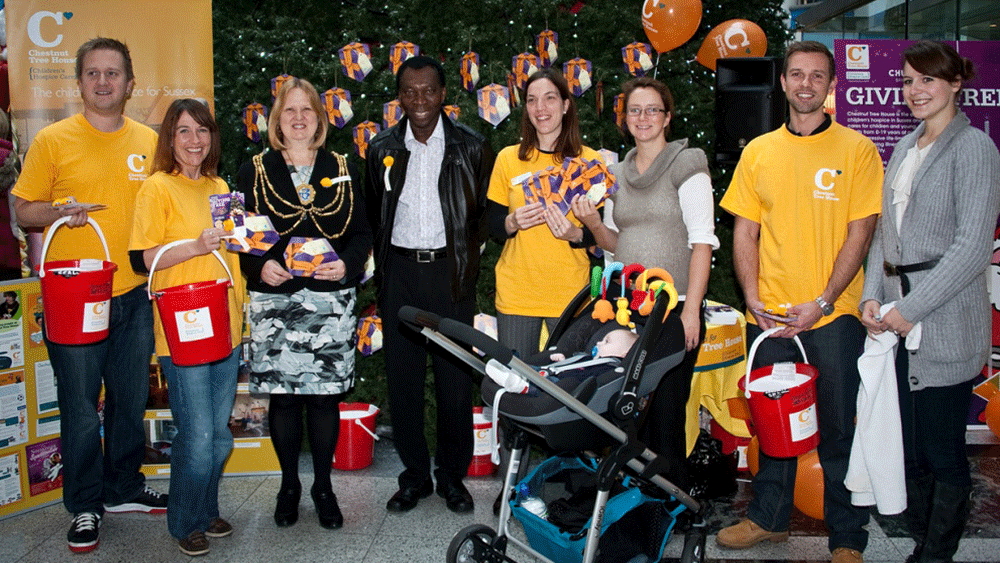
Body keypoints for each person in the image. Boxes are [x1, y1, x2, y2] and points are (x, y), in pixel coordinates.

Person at [716, 41, 883, 563]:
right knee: (772, 426)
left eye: (817, 75)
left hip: (831, 316)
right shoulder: (758, 150)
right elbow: (745, 231)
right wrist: (752, 297)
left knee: (836, 428)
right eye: (796, 75)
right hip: (769, 316)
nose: (806, 84)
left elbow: (861, 232)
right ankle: (769, 519)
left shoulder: (857, 150)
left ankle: (848, 536)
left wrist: (825, 300)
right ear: (782, 82)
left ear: (832, 85)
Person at [11, 37, 166, 554]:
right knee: (81, 408)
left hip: (133, 295)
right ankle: (83, 505)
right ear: (79, 82)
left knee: (129, 399)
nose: (104, 82)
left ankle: (122, 487)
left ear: (130, 82)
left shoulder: (149, 139)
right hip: (75, 299)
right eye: (94, 73)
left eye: (114, 73)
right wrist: (58, 210)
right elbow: (22, 211)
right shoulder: (53, 141)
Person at [860, 40, 1000, 563]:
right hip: (895, 320)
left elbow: (970, 250)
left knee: (942, 450)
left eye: (927, 80)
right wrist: (873, 296)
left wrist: (908, 312)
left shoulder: (975, 149)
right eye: (907, 81)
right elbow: (884, 239)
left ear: (955, 84)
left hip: (943, 323)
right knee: (911, 446)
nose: (914, 91)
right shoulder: (903, 147)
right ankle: (923, 535)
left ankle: (937, 553)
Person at [236, 77, 371, 530]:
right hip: (277, 301)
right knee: (286, 401)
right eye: (289, 110)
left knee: (324, 399)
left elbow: (363, 233)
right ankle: (289, 484)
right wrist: (260, 266)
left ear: (319, 119)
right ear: (277, 119)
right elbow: (243, 232)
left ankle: (323, 486)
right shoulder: (255, 167)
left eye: (307, 111)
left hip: (331, 302)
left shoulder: (344, 165)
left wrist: (348, 267)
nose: (298, 118)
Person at [571, 76, 718, 490]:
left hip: (674, 310)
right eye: (635, 110)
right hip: (631, 310)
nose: (643, 117)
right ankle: (639, 498)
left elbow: (703, 241)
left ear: (667, 116)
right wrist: (594, 223)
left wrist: (691, 312)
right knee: (632, 411)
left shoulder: (687, 164)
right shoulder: (615, 174)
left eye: (652, 109)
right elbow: (616, 246)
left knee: (667, 412)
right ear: (625, 118)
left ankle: (673, 503)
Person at [365, 55, 494, 514]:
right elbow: (373, 216)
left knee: (454, 384)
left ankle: (453, 479)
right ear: (399, 97)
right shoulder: (380, 148)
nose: (419, 101)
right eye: (409, 92)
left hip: (450, 276)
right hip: (400, 274)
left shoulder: (473, 147)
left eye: (428, 91)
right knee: (404, 382)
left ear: (443, 95)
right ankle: (415, 476)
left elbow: (482, 214)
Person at [129, 98, 245, 556]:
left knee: (217, 436)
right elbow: (143, 260)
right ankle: (184, 521)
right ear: (170, 140)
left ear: (212, 137)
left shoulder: (220, 186)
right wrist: (195, 246)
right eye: (183, 132)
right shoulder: (157, 188)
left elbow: (234, 254)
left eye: (202, 131)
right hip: (182, 329)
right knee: (195, 436)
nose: (194, 140)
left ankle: (204, 508)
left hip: (226, 325)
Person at [487, 68, 604, 358]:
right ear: (525, 109)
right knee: (515, 388)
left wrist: (575, 234)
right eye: (531, 100)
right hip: (517, 294)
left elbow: (602, 233)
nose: (540, 108)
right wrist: (511, 222)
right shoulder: (507, 159)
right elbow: (491, 225)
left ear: (565, 105)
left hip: (571, 294)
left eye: (550, 98)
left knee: (568, 388)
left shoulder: (590, 161)